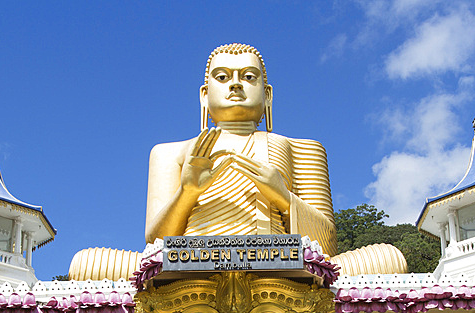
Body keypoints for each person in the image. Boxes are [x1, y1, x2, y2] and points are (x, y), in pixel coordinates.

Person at [68, 42, 407, 281]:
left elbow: (327, 246)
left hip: (283, 263)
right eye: (222, 76)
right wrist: (187, 191)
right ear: (204, 94)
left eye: (248, 76)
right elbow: (155, 243)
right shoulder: (170, 152)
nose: (235, 84)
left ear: (267, 93)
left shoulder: (298, 147)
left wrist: (282, 196)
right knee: (85, 264)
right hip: (189, 264)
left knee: (389, 259)